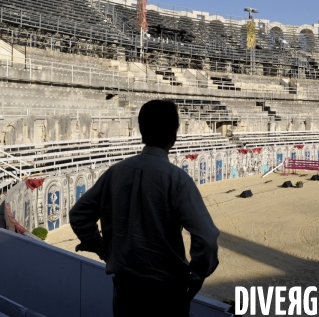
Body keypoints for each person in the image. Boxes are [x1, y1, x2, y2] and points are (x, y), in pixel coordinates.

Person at [69, 99, 220, 317]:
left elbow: (79, 215)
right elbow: (206, 238)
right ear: (174, 136)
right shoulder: (178, 180)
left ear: (141, 130)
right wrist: (196, 278)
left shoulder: (116, 172)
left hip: (125, 289)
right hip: (167, 293)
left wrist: (102, 249)